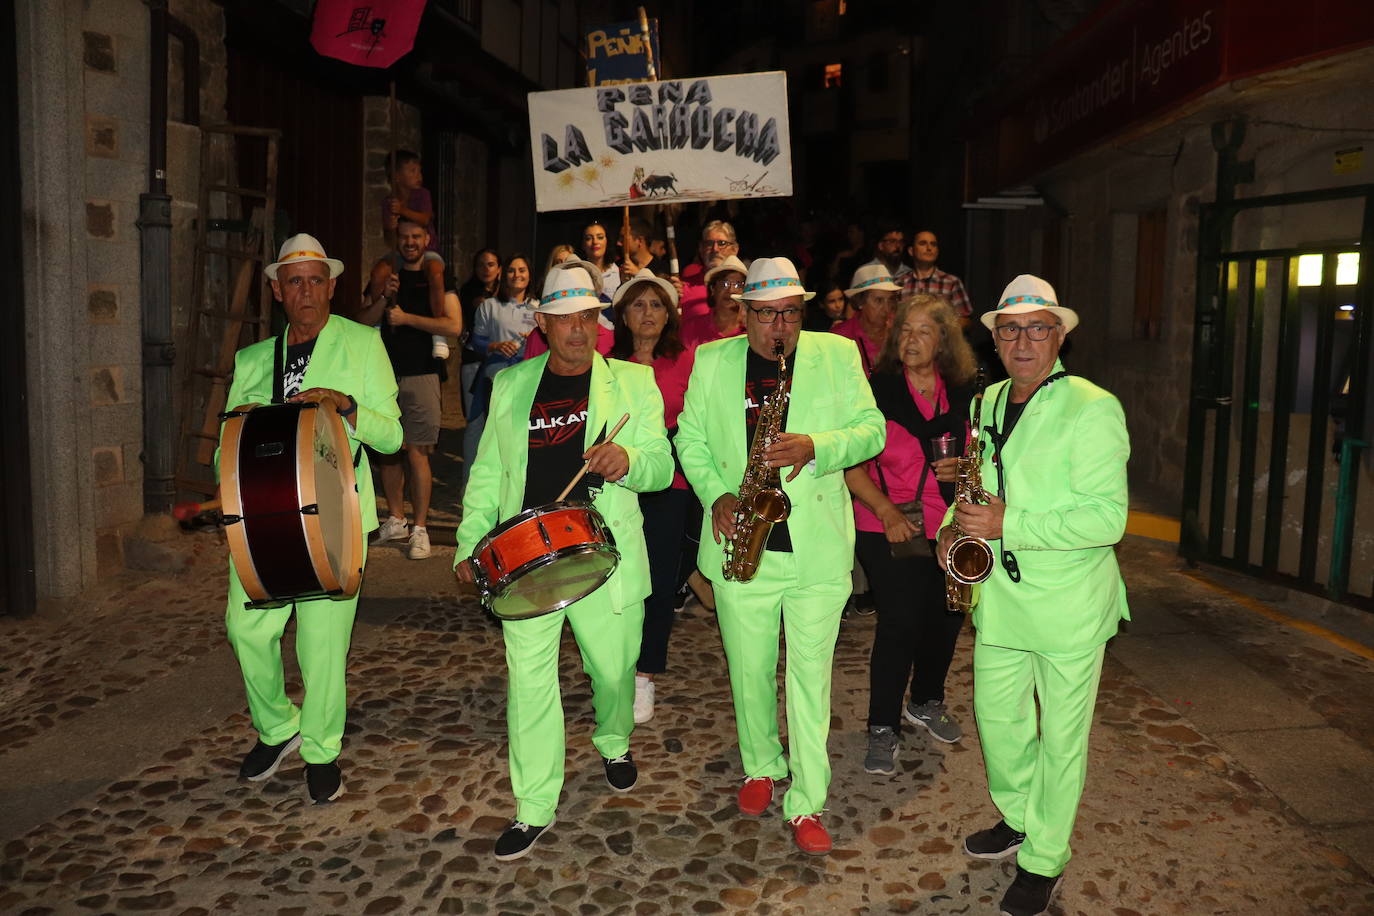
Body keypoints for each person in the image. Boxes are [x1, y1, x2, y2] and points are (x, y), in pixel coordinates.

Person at [454, 265, 673, 862]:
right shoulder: (511, 384)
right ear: (543, 324)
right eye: (565, 319)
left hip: (602, 551)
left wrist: (626, 458)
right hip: (526, 553)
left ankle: (613, 739)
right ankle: (534, 806)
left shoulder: (633, 382)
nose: (578, 331)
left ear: (599, 323)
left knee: (613, 670)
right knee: (529, 684)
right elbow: (488, 475)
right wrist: (471, 544)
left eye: (587, 318)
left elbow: (661, 467)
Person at [675, 257, 886, 856]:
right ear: (743, 314)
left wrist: (817, 445)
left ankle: (808, 801)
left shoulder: (837, 356)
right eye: (766, 315)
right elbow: (687, 436)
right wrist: (714, 492)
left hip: (815, 550)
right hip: (743, 542)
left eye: (790, 313)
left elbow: (872, 429)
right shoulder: (713, 361)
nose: (779, 327)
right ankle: (761, 764)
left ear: (803, 312)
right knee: (748, 669)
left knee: (810, 680)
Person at [937, 274, 1129, 916]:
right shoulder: (985, 401)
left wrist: (1008, 525)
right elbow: (975, 486)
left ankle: (1044, 857)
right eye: (1010, 329)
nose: (1023, 340)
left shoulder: (1093, 406)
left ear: (1060, 336)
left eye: (1038, 327)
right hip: (1001, 597)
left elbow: (1108, 519)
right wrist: (948, 532)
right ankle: (1022, 817)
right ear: (994, 338)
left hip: (1070, 605)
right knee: (998, 722)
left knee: (1062, 741)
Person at [222, 234, 402, 803]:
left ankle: (322, 748)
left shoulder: (363, 344)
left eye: (316, 279)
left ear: (332, 286)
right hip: (260, 519)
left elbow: (394, 434)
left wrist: (347, 408)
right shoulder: (252, 360)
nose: (306, 290)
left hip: (337, 514)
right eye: (294, 281)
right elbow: (226, 444)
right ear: (278, 290)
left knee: (323, 643)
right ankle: (278, 727)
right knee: (246, 627)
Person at [843, 294, 975, 776]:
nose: (911, 339)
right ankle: (882, 725)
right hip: (885, 519)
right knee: (901, 618)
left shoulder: (962, 394)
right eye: (904, 330)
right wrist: (887, 512)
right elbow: (851, 470)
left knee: (948, 613)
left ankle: (925, 700)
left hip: (948, 521)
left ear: (943, 340)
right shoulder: (875, 393)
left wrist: (964, 467)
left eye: (923, 331)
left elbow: (985, 462)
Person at [608, 268, 694, 724]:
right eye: (638, 304)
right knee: (613, 577)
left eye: (657, 304)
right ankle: (613, 665)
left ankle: (645, 674)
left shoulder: (685, 361)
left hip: (669, 483)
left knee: (659, 581)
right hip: (615, 483)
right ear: (622, 314)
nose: (648, 313)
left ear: (670, 315)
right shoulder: (604, 361)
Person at [358, 218, 463, 559]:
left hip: (422, 375)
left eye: (416, 236)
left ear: (426, 238)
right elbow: (365, 322)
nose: (410, 242)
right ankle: (396, 519)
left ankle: (420, 528)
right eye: (404, 237)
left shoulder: (438, 277)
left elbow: (453, 324)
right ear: (396, 240)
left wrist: (408, 320)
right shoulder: (387, 275)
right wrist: (384, 297)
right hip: (384, 376)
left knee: (417, 452)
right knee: (388, 451)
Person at [461, 254, 541, 486]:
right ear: (503, 275)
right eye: (512, 270)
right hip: (493, 378)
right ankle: (473, 490)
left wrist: (534, 340)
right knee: (481, 434)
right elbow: (477, 342)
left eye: (522, 270)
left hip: (526, 380)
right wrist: (496, 346)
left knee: (518, 438)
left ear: (530, 275)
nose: (517, 275)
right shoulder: (490, 306)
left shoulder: (540, 309)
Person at [380, 150, 450, 359]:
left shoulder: (422, 195)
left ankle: (438, 332)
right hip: (401, 251)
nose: (418, 175)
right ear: (397, 175)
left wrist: (402, 210)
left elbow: (425, 219)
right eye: (412, 170)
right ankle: (375, 325)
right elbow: (388, 238)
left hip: (427, 252)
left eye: (419, 170)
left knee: (436, 273)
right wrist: (391, 227)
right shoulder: (389, 201)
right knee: (378, 274)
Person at [458, 249, 503, 432]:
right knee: (475, 418)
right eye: (480, 265)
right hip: (474, 359)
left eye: (490, 264)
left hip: (501, 360)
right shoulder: (468, 293)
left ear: (499, 268)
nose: (485, 269)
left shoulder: (509, 294)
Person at [831, 263, 902, 376]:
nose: (887, 308)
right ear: (860, 301)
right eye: (879, 301)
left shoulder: (900, 329)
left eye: (890, 300)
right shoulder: (840, 336)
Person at [675, 220, 740, 320]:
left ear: (734, 249)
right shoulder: (683, 289)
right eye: (709, 243)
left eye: (722, 243)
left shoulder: (745, 286)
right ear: (701, 248)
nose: (715, 249)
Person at [902, 230, 972, 321]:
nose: (929, 248)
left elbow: (966, 320)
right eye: (923, 243)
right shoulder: (899, 283)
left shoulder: (951, 282)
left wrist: (944, 330)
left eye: (933, 244)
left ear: (937, 251)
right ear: (911, 251)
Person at [680, 255, 748, 348]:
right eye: (725, 284)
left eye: (738, 285)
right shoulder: (692, 328)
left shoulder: (751, 331)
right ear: (713, 289)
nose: (731, 290)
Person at [580, 220, 621, 300]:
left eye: (600, 237)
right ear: (583, 244)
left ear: (607, 241)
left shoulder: (619, 272)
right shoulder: (578, 274)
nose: (595, 242)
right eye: (589, 238)